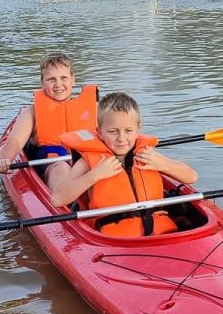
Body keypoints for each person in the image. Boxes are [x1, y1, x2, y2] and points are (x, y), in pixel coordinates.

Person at [51, 91, 198, 237]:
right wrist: (94, 175)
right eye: (113, 131)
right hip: (113, 239)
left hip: (161, 234)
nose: (121, 138)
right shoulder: (88, 163)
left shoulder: (146, 155)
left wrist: (165, 164)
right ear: (100, 132)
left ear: (138, 130)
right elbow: (57, 199)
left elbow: (192, 177)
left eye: (128, 131)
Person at [0, 53, 98, 191]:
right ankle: (65, 202)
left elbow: (113, 135)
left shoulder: (93, 109)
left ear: (73, 79)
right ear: (42, 81)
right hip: (52, 165)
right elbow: (15, 140)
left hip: (84, 162)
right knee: (61, 167)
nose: (58, 85)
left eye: (64, 78)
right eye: (51, 79)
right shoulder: (32, 113)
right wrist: (5, 159)